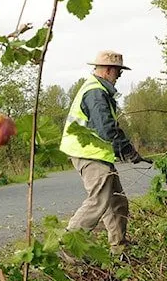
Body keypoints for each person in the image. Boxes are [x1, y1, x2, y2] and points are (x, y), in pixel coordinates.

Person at [59, 50, 150, 255]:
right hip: (87, 153)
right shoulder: (95, 92)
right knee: (98, 201)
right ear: (109, 70)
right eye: (118, 72)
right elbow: (106, 128)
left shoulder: (99, 89)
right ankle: (68, 248)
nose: (119, 76)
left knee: (116, 200)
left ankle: (119, 248)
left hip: (96, 153)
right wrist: (127, 151)